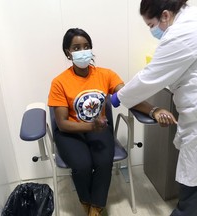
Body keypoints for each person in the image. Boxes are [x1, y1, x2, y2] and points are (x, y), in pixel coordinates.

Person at [111, 0, 197, 215]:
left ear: (165, 15)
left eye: (151, 25)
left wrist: (118, 97)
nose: (152, 31)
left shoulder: (183, 33)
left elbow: (150, 77)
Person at [48, 28, 174, 216]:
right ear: (68, 52)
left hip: (98, 129)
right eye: (76, 48)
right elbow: (62, 123)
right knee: (82, 165)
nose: (83, 51)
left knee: (102, 162)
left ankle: (96, 208)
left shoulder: (106, 75)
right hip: (71, 131)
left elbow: (129, 96)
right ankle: (86, 200)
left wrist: (155, 110)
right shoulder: (60, 82)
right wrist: (91, 125)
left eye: (86, 46)